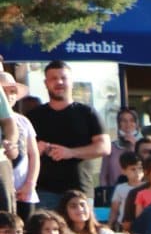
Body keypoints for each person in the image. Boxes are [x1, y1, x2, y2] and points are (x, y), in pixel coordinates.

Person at [26, 64, 108, 211]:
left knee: (82, 233)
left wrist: (71, 152)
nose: (59, 82)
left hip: (80, 191)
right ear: (46, 83)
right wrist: (35, 149)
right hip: (44, 191)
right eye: (54, 78)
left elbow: (104, 147)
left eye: (63, 78)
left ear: (72, 81)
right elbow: (21, 151)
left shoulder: (87, 113)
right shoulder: (34, 116)